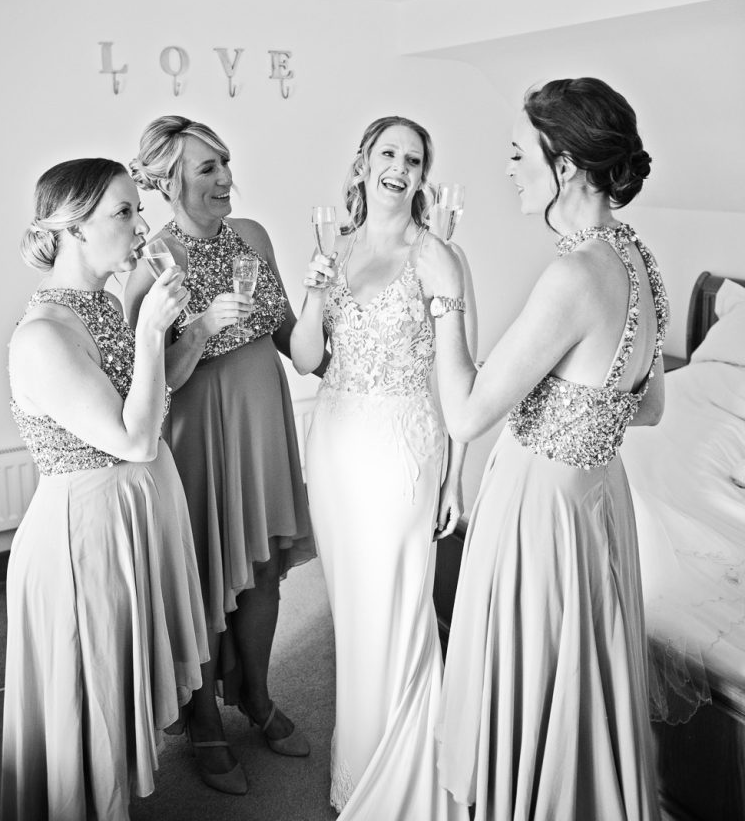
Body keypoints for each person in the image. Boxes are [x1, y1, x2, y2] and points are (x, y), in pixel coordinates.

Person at [420, 78, 668, 821]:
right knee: (575, 680)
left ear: (563, 165)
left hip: (542, 506)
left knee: (532, 678)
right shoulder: (635, 257)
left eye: (517, 152)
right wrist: (576, 406)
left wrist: (447, 295)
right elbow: (650, 405)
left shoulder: (572, 274)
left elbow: (464, 414)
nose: (508, 168)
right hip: (596, 497)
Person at [2, 158, 208, 821]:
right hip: (82, 543)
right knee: (89, 716)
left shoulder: (102, 307)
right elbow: (134, 441)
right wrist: (151, 330)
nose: (141, 223)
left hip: (128, 526)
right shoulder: (43, 336)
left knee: (116, 705)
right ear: (72, 229)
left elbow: (149, 408)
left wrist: (158, 328)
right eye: (123, 211)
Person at [290, 114, 474, 820]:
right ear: (365, 162)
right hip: (334, 441)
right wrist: (312, 292)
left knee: (394, 608)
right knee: (353, 613)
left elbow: (463, 377)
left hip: (402, 444)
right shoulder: (333, 249)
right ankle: (360, 764)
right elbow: (308, 359)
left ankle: (407, 779)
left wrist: (455, 478)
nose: (400, 167)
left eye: (415, 159)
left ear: (423, 176)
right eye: (389, 153)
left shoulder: (439, 256)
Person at [126, 116, 316, 796]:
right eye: (208, 168)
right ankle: (203, 717)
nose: (226, 179)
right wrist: (203, 328)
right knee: (203, 580)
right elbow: (151, 381)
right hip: (198, 435)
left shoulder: (255, 237)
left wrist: (338, 307)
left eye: (226, 163)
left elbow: (296, 337)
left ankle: (257, 698)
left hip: (264, 422)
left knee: (263, 572)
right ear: (170, 179)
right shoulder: (147, 261)